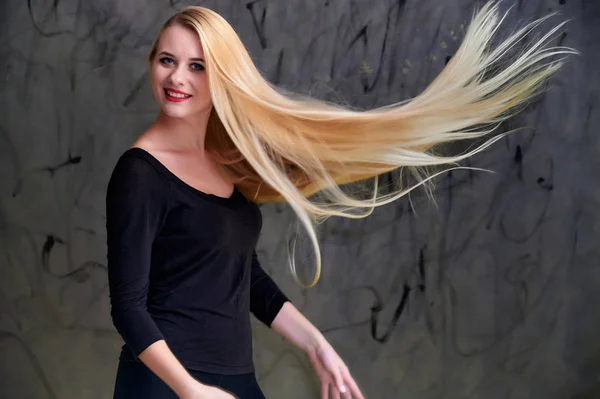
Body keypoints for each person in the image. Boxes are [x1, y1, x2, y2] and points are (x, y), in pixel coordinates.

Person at [105, 3, 574, 398]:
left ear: (222, 76)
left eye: (197, 65)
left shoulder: (225, 159)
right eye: (166, 60)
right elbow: (129, 306)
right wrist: (190, 390)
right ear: (151, 63)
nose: (177, 78)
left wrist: (316, 344)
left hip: (232, 380)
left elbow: (241, 275)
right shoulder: (140, 173)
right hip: (166, 385)